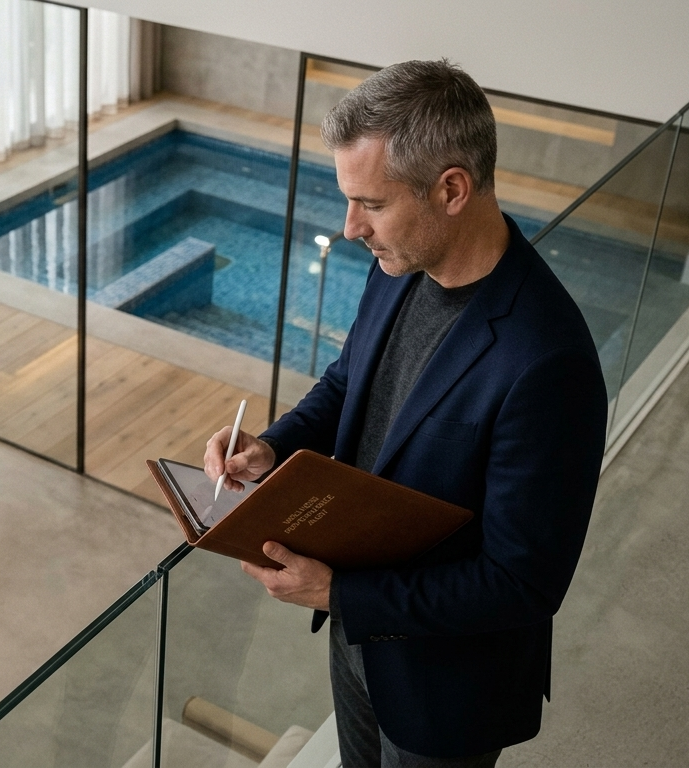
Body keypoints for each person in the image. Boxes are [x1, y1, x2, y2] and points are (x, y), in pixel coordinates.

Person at [204, 59, 607, 767]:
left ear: (451, 188)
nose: (352, 227)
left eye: (372, 203)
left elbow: (523, 583)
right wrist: (272, 446)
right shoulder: (398, 266)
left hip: (446, 687)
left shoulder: (548, 362)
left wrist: (339, 590)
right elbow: (348, 381)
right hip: (358, 641)